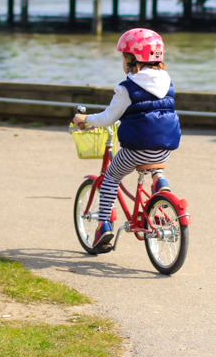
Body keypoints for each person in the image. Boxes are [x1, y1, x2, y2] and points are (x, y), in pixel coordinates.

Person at [72, 28, 181, 252]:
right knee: (153, 158)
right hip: (165, 147)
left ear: (132, 59)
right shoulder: (167, 81)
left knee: (111, 176)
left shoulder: (126, 88)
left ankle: (103, 226)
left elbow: (107, 118)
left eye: (123, 56)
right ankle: (160, 180)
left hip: (137, 150)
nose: (122, 61)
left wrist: (84, 119)